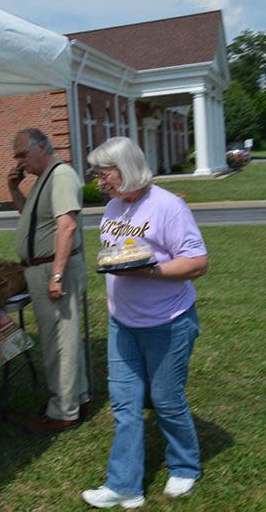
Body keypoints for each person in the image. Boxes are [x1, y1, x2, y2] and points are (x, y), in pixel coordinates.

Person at [81, 137, 208, 508]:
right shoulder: (113, 208)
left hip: (167, 323)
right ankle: (125, 486)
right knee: (125, 404)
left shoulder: (169, 207)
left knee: (167, 400)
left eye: (103, 174)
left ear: (126, 169)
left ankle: (184, 466)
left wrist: (150, 271)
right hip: (122, 323)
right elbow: (114, 255)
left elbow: (197, 263)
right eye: (97, 174)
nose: (99, 182)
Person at [8, 128, 90, 434]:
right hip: (43, 269)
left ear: (42, 146)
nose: (19, 162)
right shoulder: (44, 179)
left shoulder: (61, 175)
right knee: (62, 340)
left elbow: (66, 227)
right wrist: (13, 188)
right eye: (16, 156)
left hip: (54, 270)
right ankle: (77, 398)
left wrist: (56, 276)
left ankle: (63, 410)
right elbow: (31, 218)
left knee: (58, 343)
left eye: (23, 154)